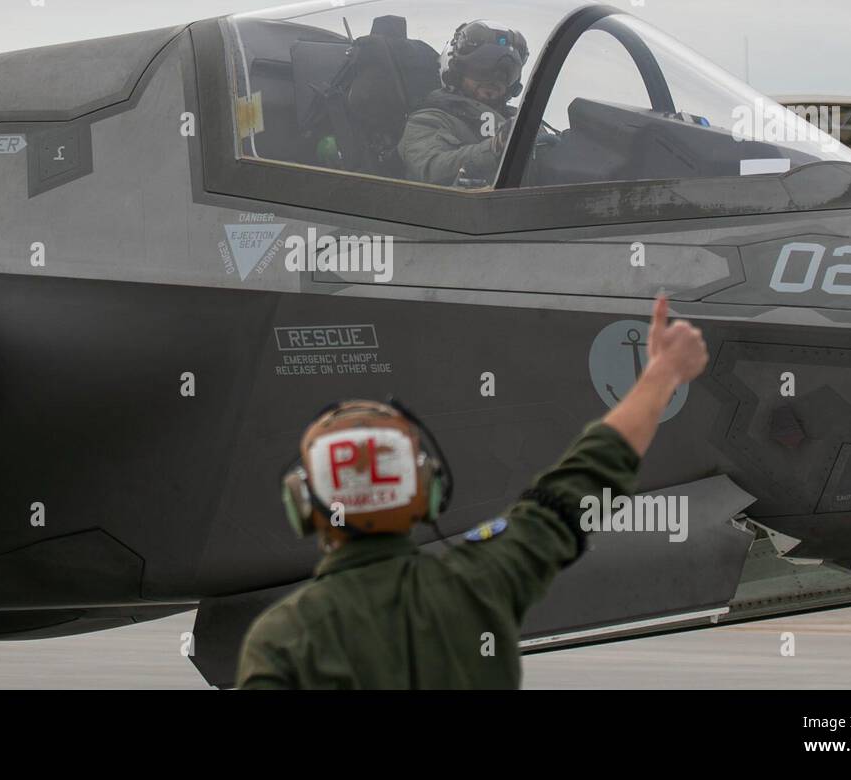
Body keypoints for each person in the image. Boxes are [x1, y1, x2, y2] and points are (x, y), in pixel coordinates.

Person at [236, 294, 709, 689]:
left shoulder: (282, 640)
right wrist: (662, 373)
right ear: (429, 492)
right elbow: (584, 478)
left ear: (303, 504)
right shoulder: (482, 583)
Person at [397, 19, 529, 187]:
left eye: (505, 74)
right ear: (457, 70)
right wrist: (496, 147)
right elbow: (430, 168)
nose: (494, 79)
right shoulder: (428, 119)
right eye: (482, 69)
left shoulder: (523, 122)